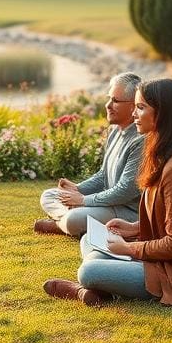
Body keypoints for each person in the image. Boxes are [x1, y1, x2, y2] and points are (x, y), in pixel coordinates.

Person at [43, 78, 172, 307]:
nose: (134, 114)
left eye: (141, 107)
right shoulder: (166, 152)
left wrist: (129, 248)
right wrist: (134, 228)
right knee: (90, 239)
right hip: (163, 261)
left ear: (162, 113)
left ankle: (86, 289)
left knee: (88, 270)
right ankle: (102, 287)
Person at [34, 72, 145, 236]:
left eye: (115, 100)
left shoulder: (140, 140)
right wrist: (78, 189)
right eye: (109, 98)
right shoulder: (115, 131)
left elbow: (125, 191)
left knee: (74, 219)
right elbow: (103, 175)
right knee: (49, 195)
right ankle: (72, 223)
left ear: (133, 106)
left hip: (126, 211)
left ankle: (64, 225)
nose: (108, 105)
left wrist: (83, 201)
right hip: (105, 203)